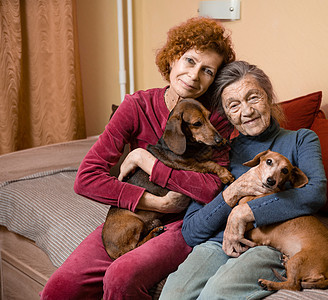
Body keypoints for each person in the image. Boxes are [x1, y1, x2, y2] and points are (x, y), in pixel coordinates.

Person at [40, 17, 235, 299]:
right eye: (189, 61)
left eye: (207, 70)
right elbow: (86, 179)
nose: (194, 75)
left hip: (183, 225)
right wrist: (155, 202)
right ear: (172, 60)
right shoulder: (136, 106)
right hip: (135, 214)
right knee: (58, 290)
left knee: (120, 279)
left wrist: (147, 161)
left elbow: (212, 189)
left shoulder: (214, 121)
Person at [159, 61, 327, 300]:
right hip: (217, 242)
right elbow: (191, 231)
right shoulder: (218, 154)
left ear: (269, 98)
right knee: (173, 295)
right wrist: (232, 192)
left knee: (215, 295)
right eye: (234, 105)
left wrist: (245, 212)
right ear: (226, 115)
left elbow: (315, 193)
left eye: (253, 97)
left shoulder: (301, 140)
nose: (246, 111)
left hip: (272, 244)